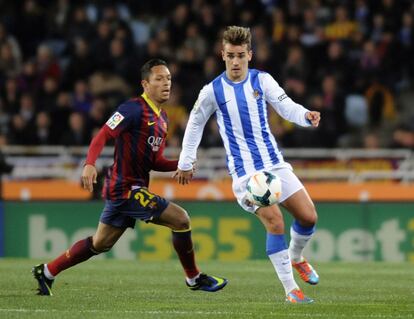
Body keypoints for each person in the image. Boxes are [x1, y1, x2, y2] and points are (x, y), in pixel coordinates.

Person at [32, 59, 227, 296]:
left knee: (100, 243)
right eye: (159, 79)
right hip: (125, 188)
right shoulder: (132, 109)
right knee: (181, 219)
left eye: (169, 79)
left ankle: (48, 271)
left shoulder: (163, 119)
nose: (166, 84)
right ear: (145, 84)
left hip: (129, 188)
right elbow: (103, 134)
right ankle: (194, 278)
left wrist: (181, 165)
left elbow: (154, 161)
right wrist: (90, 164)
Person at [175, 26, 320, 304]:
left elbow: (285, 105)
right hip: (246, 175)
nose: (236, 61)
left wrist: (305, 115)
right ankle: (291, 290)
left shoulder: (262, 81)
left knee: (309, 217)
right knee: (275, 222)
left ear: (250, 55)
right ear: (222, 55)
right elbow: (195, 124)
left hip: (274, 164)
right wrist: (186, 161)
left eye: (241, 55)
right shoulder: (212, 91)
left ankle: (296, 257)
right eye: (230, 56)